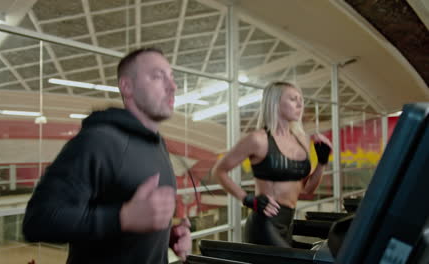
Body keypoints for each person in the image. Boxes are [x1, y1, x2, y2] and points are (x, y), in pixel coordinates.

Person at [22, 47, 191, 264]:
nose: (173, 86)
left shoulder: (157, 144)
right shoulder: (98, 141)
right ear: (127, 86)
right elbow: (37, 222)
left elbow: (130, 223)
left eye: (172, 77)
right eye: (158, 76)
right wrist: (124, 217)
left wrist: (168, 235)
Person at [212, 81, 332, 247]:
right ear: (275, 103)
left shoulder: (302, 139)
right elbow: (219, 171)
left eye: (301, 99)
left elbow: (308, 188)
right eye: (292, 99)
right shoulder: (258, 140)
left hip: (288, 222)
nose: (299, 104)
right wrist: (247, 199)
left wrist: (322, 162)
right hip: (265, 224)